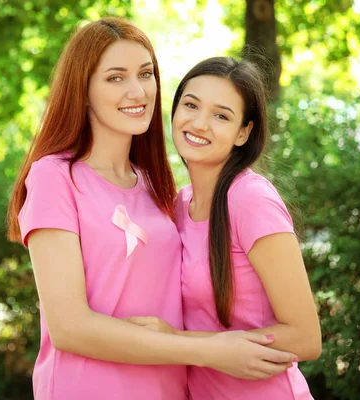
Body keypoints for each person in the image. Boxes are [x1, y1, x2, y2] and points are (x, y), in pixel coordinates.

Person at [6, 19, 296, 400]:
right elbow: (69, 327)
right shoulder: (53, 177)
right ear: (84, 89)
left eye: (146, 74)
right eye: (115, 77)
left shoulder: (159, 190)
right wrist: (208, 350)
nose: (137, 90)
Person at [128, 57, 322, 399]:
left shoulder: (251, 199)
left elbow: (306, 338)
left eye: (221, 115)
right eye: (191, 105)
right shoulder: (175, 207)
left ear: (243, 132)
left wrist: (177, 340)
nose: (200, 123)